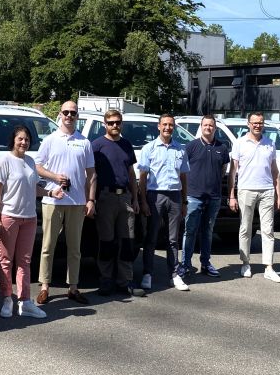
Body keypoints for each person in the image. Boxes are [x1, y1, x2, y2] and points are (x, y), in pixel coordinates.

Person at [0, 126, 64, 319]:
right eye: (20, 139)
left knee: (24, 261)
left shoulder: (30, 161)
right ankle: (7, 299)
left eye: (27, 140)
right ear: (13, 140)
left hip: (30, 218)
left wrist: (50, 192)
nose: (24, 142)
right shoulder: (4, 161)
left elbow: (34, 188)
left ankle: (24, 302)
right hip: (9, 217)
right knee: (6, 261)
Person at [35, 100, 96, 305]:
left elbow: (91, 174)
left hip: (77, 202)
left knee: (74, 248)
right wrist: (54, 177)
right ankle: (45, 287)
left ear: (77, 116)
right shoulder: (50, 140)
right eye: (66, 112)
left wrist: (91, 200)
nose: (69, 116)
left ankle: (73, 287)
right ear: (60, 114)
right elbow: (37, 166)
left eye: (73, 113)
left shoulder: (84, 142)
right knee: (48, 246)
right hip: (52, 200)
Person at [91, 110, 145, 297]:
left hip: (126, 198)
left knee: (127, 241)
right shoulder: (96, 146)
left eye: (118, 122)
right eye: (111, 122)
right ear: (105, 124)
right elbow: (91, 175)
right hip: (106, 198)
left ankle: (125, 281)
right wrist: (92, 199)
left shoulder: (126, 144)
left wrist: (136, 199)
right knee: (106, 241)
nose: (115, 126)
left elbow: (131, 173)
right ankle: (106, 281)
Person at [228, 112, 280, 283]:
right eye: (254, 122)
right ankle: (245, 263)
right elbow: (233, 171)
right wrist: (231, 195)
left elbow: (275, 171)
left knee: (268, 230)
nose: (257, 125)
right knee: (245, 228)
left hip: (267, 190)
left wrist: (279, 194)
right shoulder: (239, 143)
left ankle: (269, 267)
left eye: (260, 122)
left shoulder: (270, 144)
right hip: (246, 190)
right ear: (248, 124)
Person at [138, 114, 190, 292]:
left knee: (173, 239)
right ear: (159, 126)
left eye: (171, 125)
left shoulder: (180, 149)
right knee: (151, 237)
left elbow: (183, 176)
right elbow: (143, 177)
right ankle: (147, 274)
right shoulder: (149, 148)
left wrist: (184, 201)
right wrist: (143, 201)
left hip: (175, 196)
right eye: (165, 124)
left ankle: (174, 274)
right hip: (155, 196)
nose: (168, 128)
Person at [180, 115, 230, 278]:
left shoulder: (222, 148)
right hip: (194, 196)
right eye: (205, 125)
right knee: (190, 232)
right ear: (201, 127)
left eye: (211, 125)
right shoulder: (190, 147)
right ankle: (186, 265)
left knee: (208, 232)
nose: (208, 127)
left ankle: (205, 264)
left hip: (214, 197)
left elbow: (223, 170)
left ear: (215, 128)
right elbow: (183, 172)